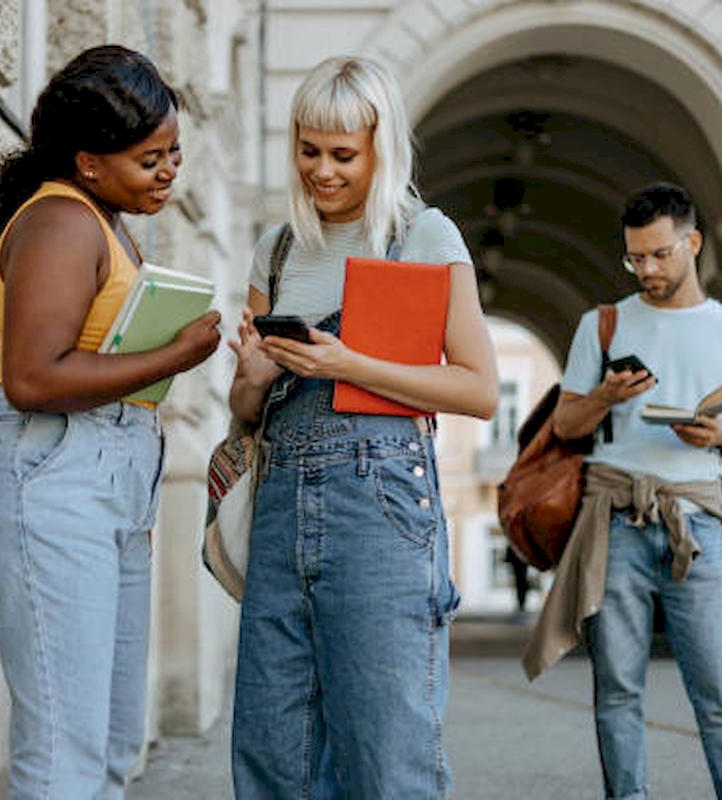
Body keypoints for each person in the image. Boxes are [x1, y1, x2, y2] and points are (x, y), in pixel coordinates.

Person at [227, 55, 499, 799]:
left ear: (383, 149)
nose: (322, 170)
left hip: (380, 502)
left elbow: (478, 390)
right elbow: (245, 413)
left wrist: (346, 363)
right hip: (282, 499)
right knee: (271, 751)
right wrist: (252, 377)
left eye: (342, 154)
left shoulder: (422, 237)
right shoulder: (276, 249)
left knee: (386, 754)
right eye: (308, 150)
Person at [0, 45, 221, 799]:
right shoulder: (63, 224)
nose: (169, 171)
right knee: (64, 757)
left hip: (103, 480)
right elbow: (34, 378)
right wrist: (173, 355)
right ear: (89, 161)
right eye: (149, 159)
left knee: (106, 750)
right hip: (53, 480)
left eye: (174, 153)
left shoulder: (101, 218)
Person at [525, 183, 722, 799]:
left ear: (692, 243)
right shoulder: (603, 325)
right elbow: (564, 426)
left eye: (659, 254)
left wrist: (721, 433)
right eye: (634, 257)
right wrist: (605, 398)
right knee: (617, 687)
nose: (646, 269)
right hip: (615, 518)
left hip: (696, 520)